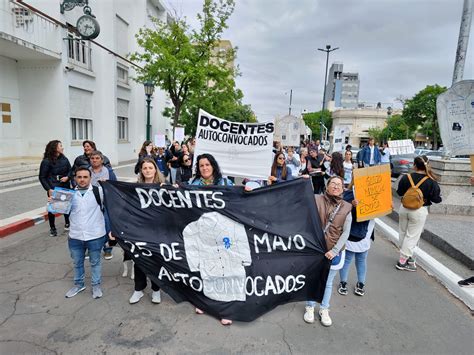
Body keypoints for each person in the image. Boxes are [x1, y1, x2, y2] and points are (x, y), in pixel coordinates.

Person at [189, 153, 233, 325]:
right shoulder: (193, 185)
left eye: (207, 164)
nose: (205, 168)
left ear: (213, 166)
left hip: (223, 234)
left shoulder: (225, 183)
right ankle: (205, 304)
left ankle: (225, 309)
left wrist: (247, 191)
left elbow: (238, 201)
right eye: (201, 166)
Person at [304, 176, 352, 327]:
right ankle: (310, 306)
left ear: (343, 188)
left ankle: (324, 309)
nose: (336, 186)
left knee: (328, 282)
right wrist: (303, 181)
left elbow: (346, 233)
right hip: (314, 249)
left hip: (333, 252)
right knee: (313, 279)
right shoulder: (315, 199)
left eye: (340, 184)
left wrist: (335, 250)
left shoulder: (347, 207)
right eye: (333, 183)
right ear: (327, 185)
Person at [63, 167, 109, 299]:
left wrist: (108, 185)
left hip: (95, 235)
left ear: (90, 178)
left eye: (85, 177)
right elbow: (58, 210)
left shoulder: (99, 191)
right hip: (75, 236)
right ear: (75, 178)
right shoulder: (69, 194)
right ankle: (79, 285)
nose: (82, 180)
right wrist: (52, 203)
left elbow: (117, 198)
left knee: (95, 262)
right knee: (77, 263)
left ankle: (96, 285)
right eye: (79, 177)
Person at [127, 158, 166, 304]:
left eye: (150, 167)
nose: (148, 170)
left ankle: (156, 290)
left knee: (156, 260)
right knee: (139, 260)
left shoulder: (163, 186)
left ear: (155, 169)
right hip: (140, 230)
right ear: (141, 170)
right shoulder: (135, 187)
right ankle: (139, 289)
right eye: (145, 168)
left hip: (157, 231)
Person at [395, 155, 441, 271]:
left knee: (403, 233)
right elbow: (436, 199)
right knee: (412, 236)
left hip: (404, 208)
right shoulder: (431, 181)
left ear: (414, 165)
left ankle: (407, 257)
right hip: (419, 210)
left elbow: (399, 192)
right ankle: (402, 261)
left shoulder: (406, 177)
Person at [337, 187, 375, 297]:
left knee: (361, 259)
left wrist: (388, 206)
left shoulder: (375, 193)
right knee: (347, 258)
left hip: (366, 232)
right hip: (350, 232)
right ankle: (343, 282)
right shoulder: (348, 193)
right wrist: (351, 205)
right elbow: (340, 209)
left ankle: (361, 283)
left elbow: (379, 210)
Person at [39, 140, 72, 237]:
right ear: (55, 148)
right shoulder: (46, 161)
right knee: (52, 209)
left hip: (65, 185)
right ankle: (52, 228)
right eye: (60, 146)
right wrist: (48, 189)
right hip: (53, 187)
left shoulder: (64, 159)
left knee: (66, 206)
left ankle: (67, 223)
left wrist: (68, 177)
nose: (62, 148)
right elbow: (42, 177)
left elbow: (70, 170)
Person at [89, 150, 117, 260]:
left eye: (97, 158)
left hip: (106, 203)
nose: (95, 160)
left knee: (106, 225)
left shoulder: (109, 172)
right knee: (91, 225)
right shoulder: (87, 171)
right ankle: (91, 248)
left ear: (102, 160)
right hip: (91, 203)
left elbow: (115, 187)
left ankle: (107, 249)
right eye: (92, 158)